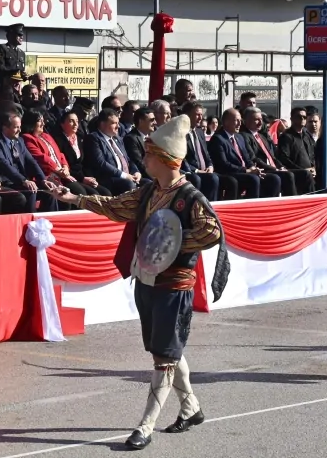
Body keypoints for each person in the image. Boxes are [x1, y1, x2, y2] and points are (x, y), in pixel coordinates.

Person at [49, 114, 227, 450]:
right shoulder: (148, 192)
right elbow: (115, 206)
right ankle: (191, 408)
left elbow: (212, 231)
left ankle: (145, 426)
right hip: (146, 280)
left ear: (163, 159)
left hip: (174, 285)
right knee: (167, 350)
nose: (142, 160)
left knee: (164, 355)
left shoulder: (190, 197)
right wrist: (75, 199)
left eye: (147, 155)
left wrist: (172, 242)